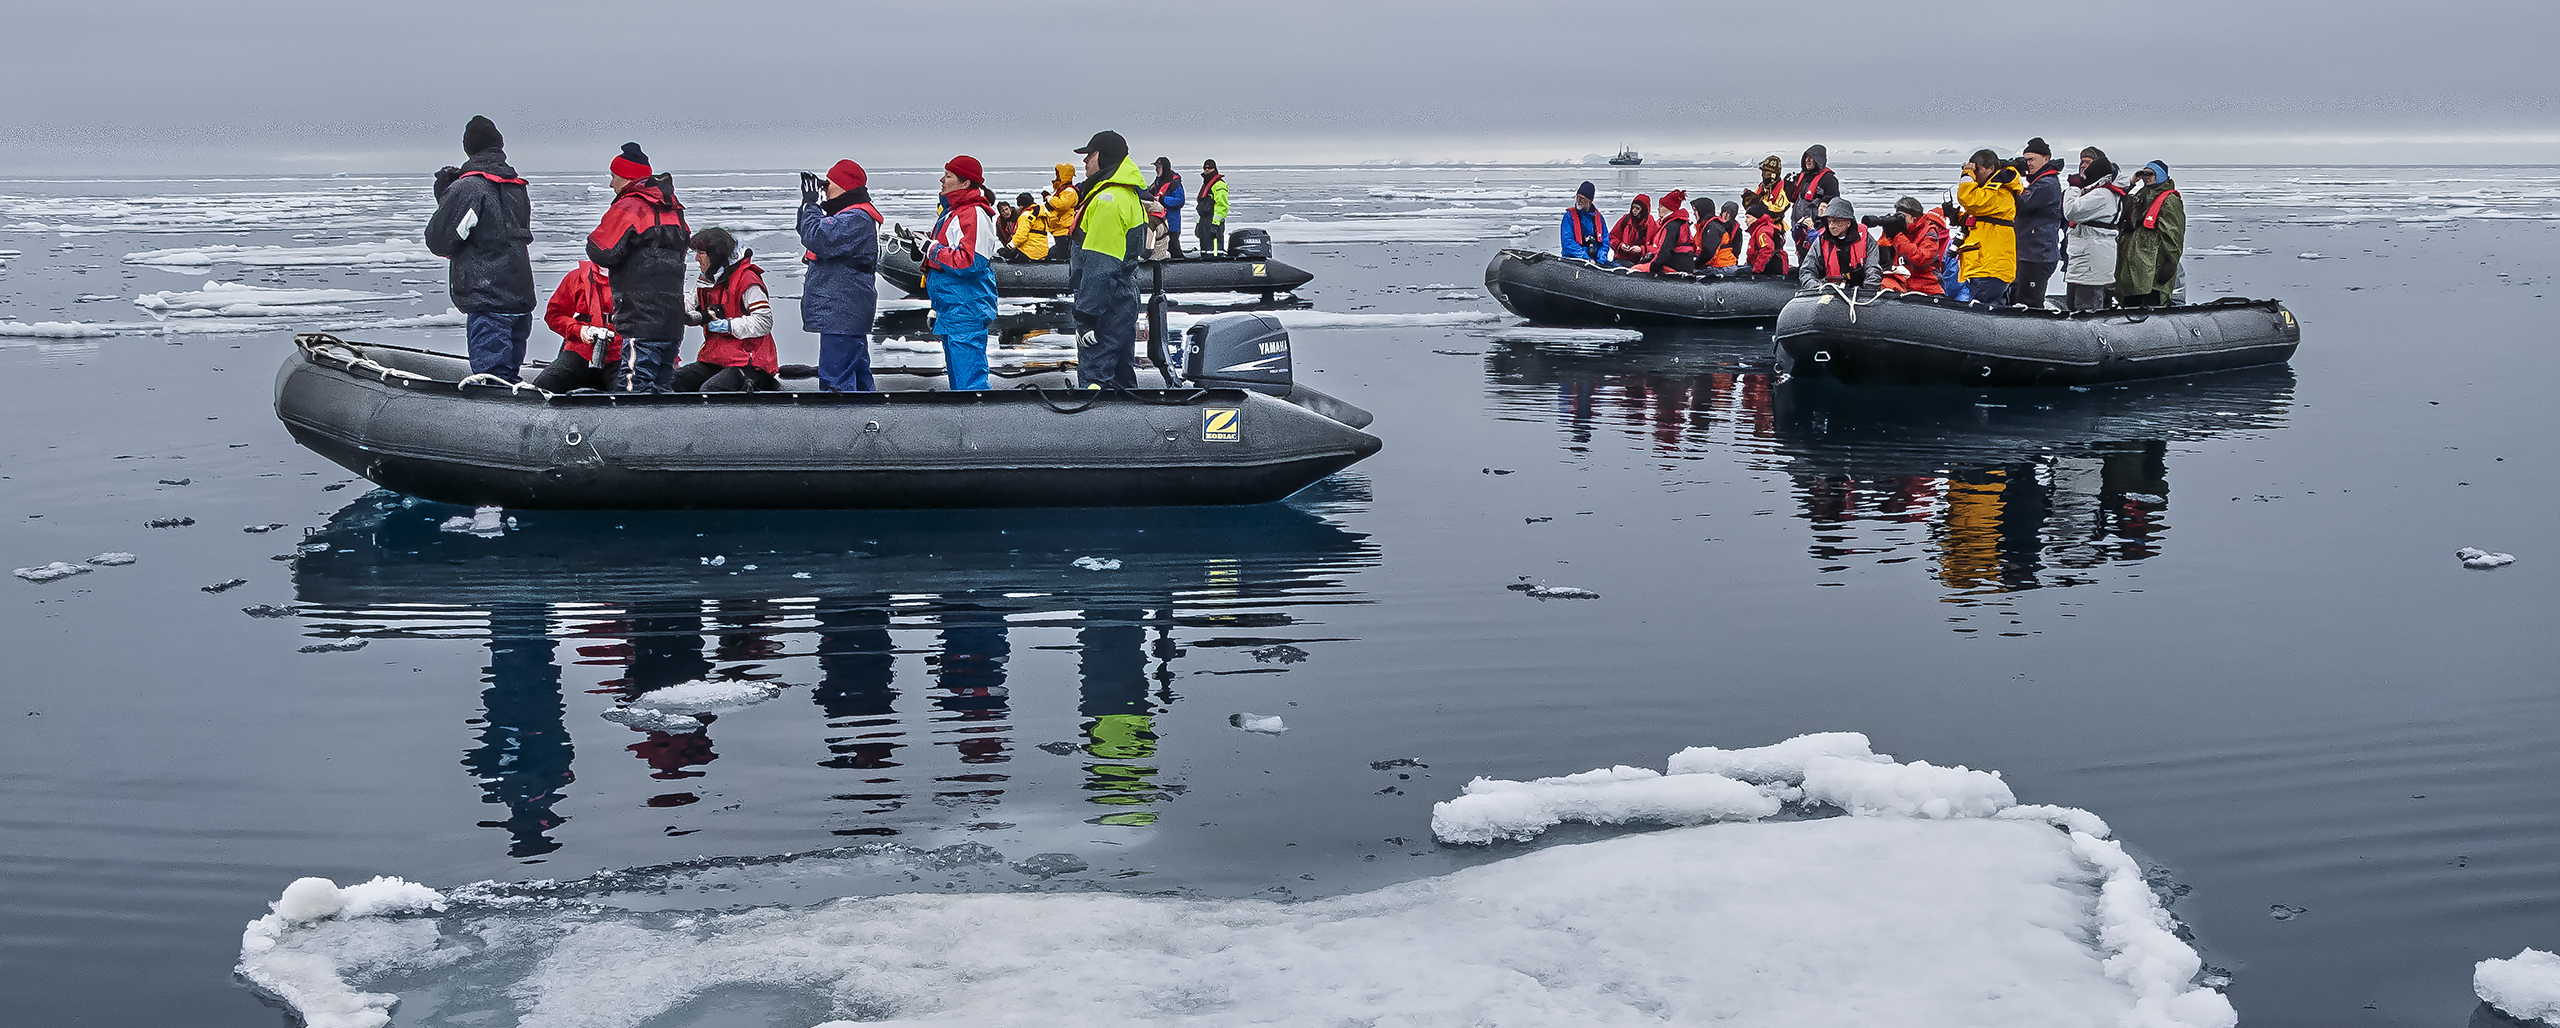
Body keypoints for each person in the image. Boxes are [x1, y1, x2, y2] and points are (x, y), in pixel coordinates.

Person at [425, 116, 536, 382]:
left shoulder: (470, 187)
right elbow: (490, 226)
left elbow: (440, 239)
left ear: (468, 148)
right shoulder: (515, 186)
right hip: (519, 295)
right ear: (499, 146)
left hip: (489, 298)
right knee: (509, 375)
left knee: (492, 380)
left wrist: (449, 194)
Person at [584, 142, 690, 391]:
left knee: (633, 383)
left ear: (626, 178)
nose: (611, 184)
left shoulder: (630, 205)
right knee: (663, 381)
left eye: (614, 177)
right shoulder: (673, 209)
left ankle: (629, 427)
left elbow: (602, 250)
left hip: (640, 317)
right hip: (671, 318)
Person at [1068, 130, 1153, 389]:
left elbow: (1100, 266)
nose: (1084, 163)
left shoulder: (1108, 201)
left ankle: (1095, 426)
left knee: (1097, 376)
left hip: (1106, 304)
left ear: (1103, 158)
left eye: (1090, 156)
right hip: (1122, 299)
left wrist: (1087, 317)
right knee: (1120, 375)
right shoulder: (1126, 195)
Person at [797, 158, 881, 391]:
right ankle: (867, 416)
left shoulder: (856, 218)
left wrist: (811, 204)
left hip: (841, 312)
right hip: (844, 312)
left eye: (828, 184)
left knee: (837, 375)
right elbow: (809, 231)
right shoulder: (849, 216)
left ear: (845, 187)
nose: (825, 189)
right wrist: (809, 205)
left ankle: (841, 422)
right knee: (857, 371)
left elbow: (818, 238)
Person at [926, 155, 1000, 391]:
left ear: (965, 182)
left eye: (948, 176)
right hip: (953, 307)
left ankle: (977, 423)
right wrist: (937, 308)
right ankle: (966, 422)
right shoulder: (954, 213)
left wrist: (933, 250)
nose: (942, 180)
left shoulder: (972, 214)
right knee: (959, 378)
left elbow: (970, 262)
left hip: (965, 307)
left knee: (969, 382)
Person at [673, 227, 777, 392]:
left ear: (715, 256)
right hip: (716, 359)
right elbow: (687, 306)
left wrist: (728, 325)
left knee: (712, 389)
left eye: (701, 253)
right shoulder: (706, 280)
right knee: (674, 381)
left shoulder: (747, 279)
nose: (696, 258)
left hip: (749, 362)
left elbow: (764, 322)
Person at [531, 260, 621, 392]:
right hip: (581, 352)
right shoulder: (577, 277)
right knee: (543, 386)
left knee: (630, 396)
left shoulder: (639, 279)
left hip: (621, 356)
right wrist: (579, 331)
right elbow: (554, 315)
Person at [1953, 148, 2024, 306]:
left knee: (1984, 310)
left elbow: (1969, 199)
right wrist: (1956, 217)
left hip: (1990, 267)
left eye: (1977, 169)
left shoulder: (2000, 192)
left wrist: (1966, 174)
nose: (1974, 174)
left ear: (1991, 168)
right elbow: (1982, 218)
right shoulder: (1991, 193)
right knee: (1992, 308)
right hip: (1987, 265)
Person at [2063, 147, 2128, 311]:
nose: (2083, 169)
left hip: (2090, 263)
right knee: (2076, 304)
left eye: (2087, 165)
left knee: (2086, 308)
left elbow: (2072, 212)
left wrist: (2073, 188)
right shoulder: (2099, 192)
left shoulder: (2102, 195)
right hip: (2086, 260)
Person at [2116, 161, 2185, 308]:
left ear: (2160, 175)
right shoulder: (2140, 196)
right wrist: (2131, 184)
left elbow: (2173, 236)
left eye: (2150, 174)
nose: (2145, 177)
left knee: (2151, 307)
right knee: (2130, 307)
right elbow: (2119, 206)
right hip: (2132, 266)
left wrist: (2169, 263)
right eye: (2143, 174)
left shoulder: (2169, 200)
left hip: (2150, 268)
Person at [2013, 137, 2066, 308]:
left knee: (2029, 303)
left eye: (2032, 159)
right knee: (2020, 298)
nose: (2028, 164)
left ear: (2046, 158)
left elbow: (2021, 202)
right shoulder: (2039, 182)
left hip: (2038, 255)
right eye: (2026, 160)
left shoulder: (2047, 184)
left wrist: (2010, 179)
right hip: (2030, 253)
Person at [1799, 198, 1879, 289]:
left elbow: (1873, 268)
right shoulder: (1821, 241)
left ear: (1848, 223)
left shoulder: (1866, 239)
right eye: (1829, 221)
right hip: (1828, 290)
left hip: (1860, 290)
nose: (1831, 226)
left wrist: (1869, 289)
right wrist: (1816, 287)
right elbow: (1807, 270)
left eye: (1836, 221)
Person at [1875, 196, 1948, 295]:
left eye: (1902, 217)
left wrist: (1897, 236)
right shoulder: (1895, 230)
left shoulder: (1929, 231)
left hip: (1925, 284)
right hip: (1899, 280)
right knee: (1885, 286)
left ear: (1914, 217)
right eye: (1897, 215)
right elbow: (1882, 260)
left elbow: (1922, 260)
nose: (1899, 219)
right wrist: (1887, 233)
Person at [1786, 145, 1839, 258]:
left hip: (1816, 229)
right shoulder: (1802, 177)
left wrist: (1819, 223)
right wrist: (1787, 186)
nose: (1807, 160)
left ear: (1819, 159)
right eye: (1806, 157)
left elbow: (1834, 204)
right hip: (1799, 227)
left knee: (1816, 257)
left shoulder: (1829, 180)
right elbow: (1794, 198)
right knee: (1802, 256)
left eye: (1811, 157)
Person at [1636, 189, 1696, 274]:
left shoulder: (1671, 226)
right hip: (1685, 264)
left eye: (1661, 206)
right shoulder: (1680, 223)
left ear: (1667, 208)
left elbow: (1666, 251)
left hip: (1674, 266)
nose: (1658, 209)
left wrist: (1653, 267)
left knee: (1636, 269)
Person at [1559, 181, 1610, 264]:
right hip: (1574, 259)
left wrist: (1601, 259)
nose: (1579, 201)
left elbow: (1605, 242)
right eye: (1577, 197)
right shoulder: (1569, 216)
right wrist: (1585, 258)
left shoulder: (1599, 218)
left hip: (1595, 259)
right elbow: (1567, 241)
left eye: (1582, 198)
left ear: (1590, 200)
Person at [1146, 157, 1186, 259]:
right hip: (1159, 220)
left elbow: (1180, 200)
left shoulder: (1175, 183)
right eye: (1156, 167)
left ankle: (1179, 266)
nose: (1156, 169)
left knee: (1173, 246)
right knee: (1159, 245)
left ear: (1165, 167)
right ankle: (1158, 265)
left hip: (1171, 221)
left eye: (1158, 167)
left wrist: (1162, 199)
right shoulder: (1158, 181)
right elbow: (1149, 191)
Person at [1743, 193, 1791, 275]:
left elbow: (1767, 249)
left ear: (1756, 218)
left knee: (1740, 273)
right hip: (1767, 266)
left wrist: (1757, 270)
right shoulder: (1761, 229)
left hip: (1770, 268)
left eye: (1748, 217)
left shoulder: (1762, 231)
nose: (1745, 220)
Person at [1042, 163, 1082, 262]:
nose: (1056, 178)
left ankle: (1063, 275)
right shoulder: (1062, 191)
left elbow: (1062, 205)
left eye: (1058, 175)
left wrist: (1049, 198)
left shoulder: (1069, 191)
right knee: (1060, 254)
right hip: (1059, 229)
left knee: (1063, 257)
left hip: (1065, 230)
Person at [1609, 194, 1655, 266]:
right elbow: (1612, 237)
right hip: (1622, 259)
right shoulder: (1625, 220)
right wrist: (1620, 245)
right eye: (1633, 207)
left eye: (1637, 208)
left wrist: (1641, 249)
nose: (1634, 210)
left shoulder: (1651, 225)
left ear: (1644, 210)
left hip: (1641, 262)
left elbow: (1656, 246)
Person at [1004, 191, 1050, 261]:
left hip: (1028, 252)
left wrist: (1009, 247)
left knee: (1008, 257)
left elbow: (1021, 236)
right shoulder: (1042, 214)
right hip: (1043, 251)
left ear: (1021, 205)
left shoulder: (1025, 216)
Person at [1196, 159, 1229, 256]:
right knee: (1205, 251)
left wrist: (1215, 224)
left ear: (1214, 169)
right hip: (1204, 222)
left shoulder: (1219, 185)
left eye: (1209, 168)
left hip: (1213, 223)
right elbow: (1203, 207)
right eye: (1205, 168)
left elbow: (1222, 205)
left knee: (1214, 252)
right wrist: (1199, 223)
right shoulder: (1206, 184)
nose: (1207, 170)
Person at [1700, 201, 1742, 270]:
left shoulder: (1737, 230)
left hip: (1726, 262)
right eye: (1724, 212)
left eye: (1729, 213)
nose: (1726, 215)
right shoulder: (1714, 225)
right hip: (1714, 262)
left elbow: (1737, 249)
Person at [1750, 155, 1791, 222]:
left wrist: (1761, 204)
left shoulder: (1783, 189)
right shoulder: (1762, 187)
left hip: (1774, 226)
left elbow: (1778, 210)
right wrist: (1750, 198)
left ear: (1774, 174)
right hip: (1760, 224)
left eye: (1767, 171)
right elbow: (1752, 207)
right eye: (1763, 171)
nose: (1764, 174)